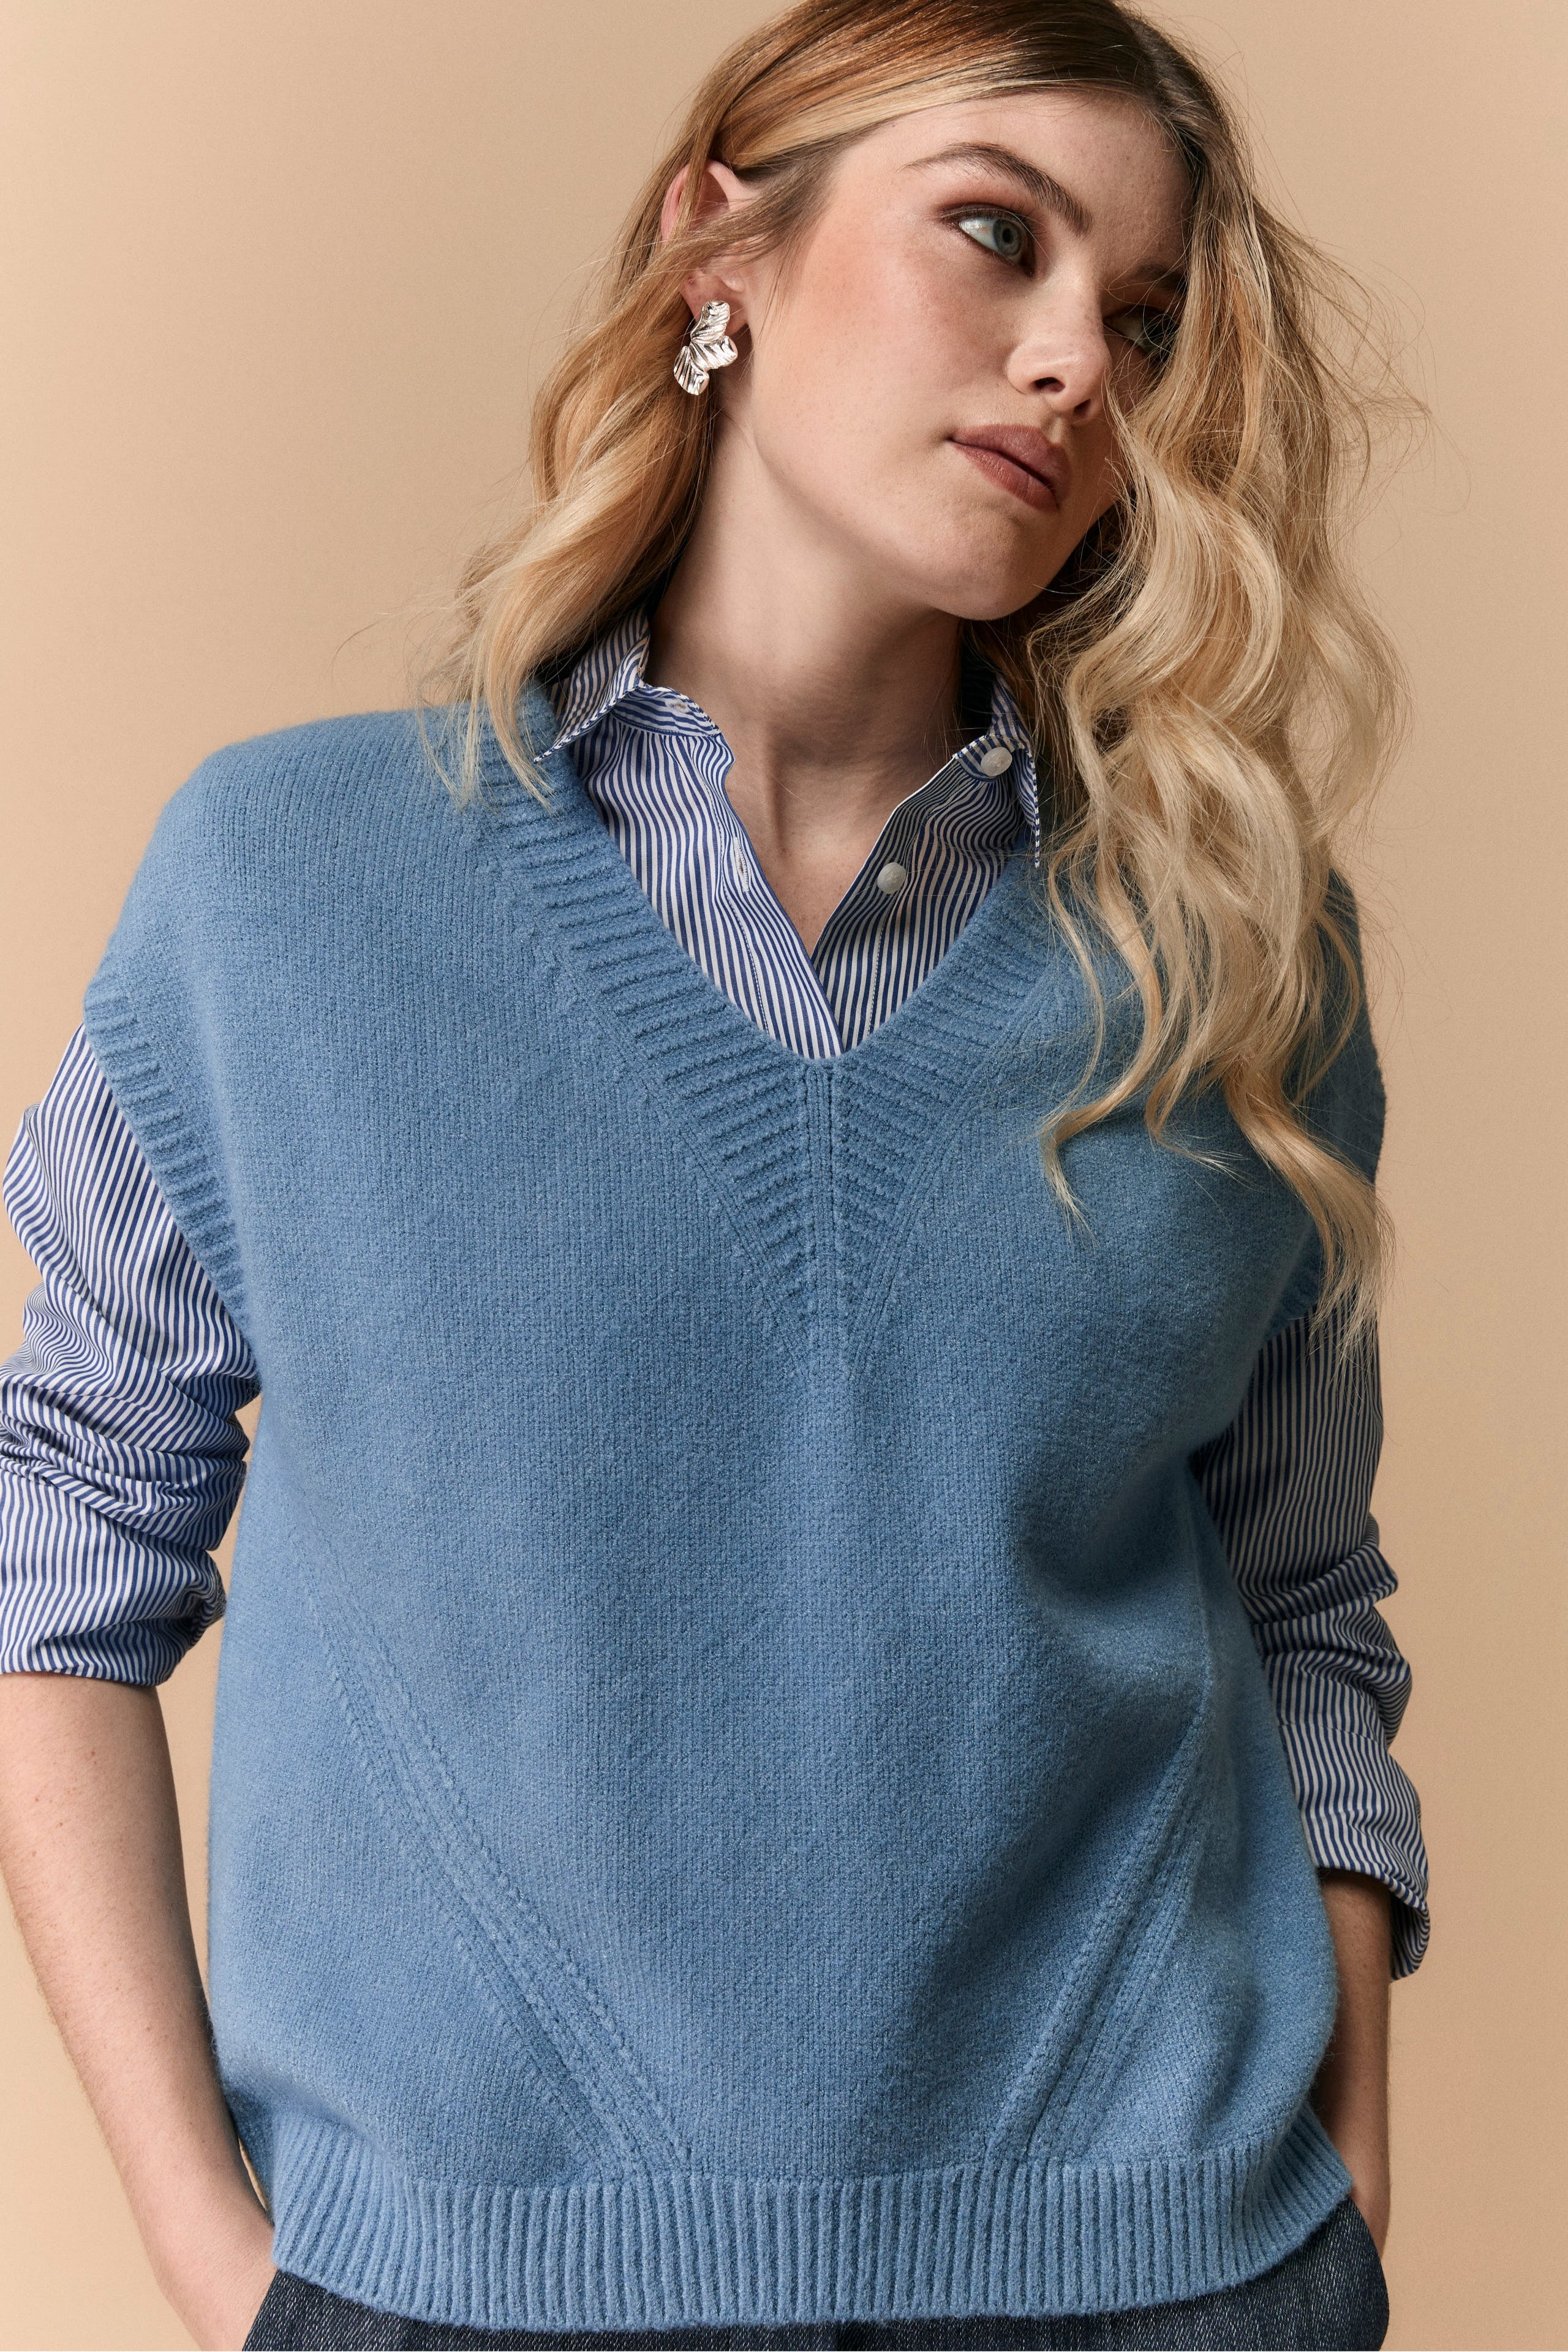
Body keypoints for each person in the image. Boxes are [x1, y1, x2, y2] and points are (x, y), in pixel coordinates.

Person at [0, 2, 1430, 2347]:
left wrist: (1350, 2184)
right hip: (461, 2299)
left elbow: (1305, 1600)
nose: (1078, 363)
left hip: (1172, 2279)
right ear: (719, 250)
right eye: (1000, 237)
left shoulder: (1238, 954)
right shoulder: (285, 887)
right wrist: (211, 2250)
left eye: (1147, 318)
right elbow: (59, 1539)